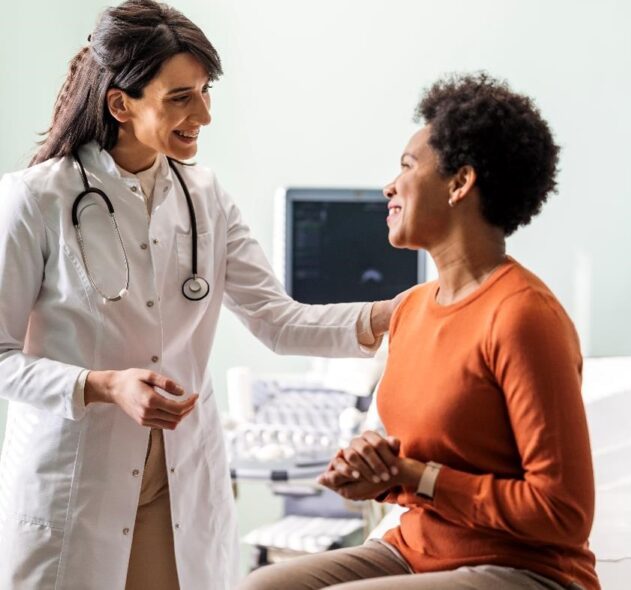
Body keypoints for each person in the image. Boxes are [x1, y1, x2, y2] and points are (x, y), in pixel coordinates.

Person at [0, 1, 401, 589]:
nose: (204, 115)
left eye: (206, 91)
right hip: (77, 482)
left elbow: (277, 320)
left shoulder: (204, 196)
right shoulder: (37, 199)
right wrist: (102, 385)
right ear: (120, 104)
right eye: (181, 97)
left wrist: (396, 314)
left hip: (179, 480)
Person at [240, 73, 600, 590]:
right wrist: (378, 470)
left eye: (407, 166)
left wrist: (412, 477)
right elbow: (420, 461)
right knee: (259, 587)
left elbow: (563, 511)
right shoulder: (411, 309)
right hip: (418, 548)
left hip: (523, 567)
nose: (389, 185)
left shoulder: (523, 316)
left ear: (460, 184)